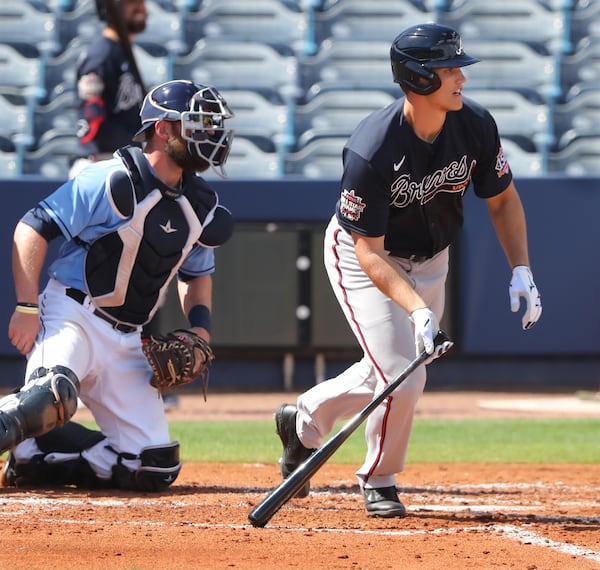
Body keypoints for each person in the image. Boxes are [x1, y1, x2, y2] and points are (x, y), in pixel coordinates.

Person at [274, 23, 542, 518]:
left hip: (432, 257)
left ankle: (303, 421)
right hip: (364, 255)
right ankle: (380, 477)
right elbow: (369, 252)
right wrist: (418, 310)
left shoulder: (475, 125)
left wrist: (521, 269)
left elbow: (503, 200)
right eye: (447, 69)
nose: (460, 76)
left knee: (393, 368)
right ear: (418, 79)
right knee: (404, 372)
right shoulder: (371, 149)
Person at [0, 79, 235, 491]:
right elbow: (30, 229)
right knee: (50, 396)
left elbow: (196, 276)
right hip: (73, 315)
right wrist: (25, 307)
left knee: (154, 465)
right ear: (163, 129)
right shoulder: (111, 179)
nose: (211, 135)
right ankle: (26, 427)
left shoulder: (202, 206)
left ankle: (32, 456)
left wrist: (200, 330)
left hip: (130, 340)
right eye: (199, 123)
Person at [70, 0, 148, 176]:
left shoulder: (122, 53)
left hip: (121, 163)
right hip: (101, 166)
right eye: (130, 2)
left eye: (142, 1)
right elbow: (94, 126)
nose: (140, 7)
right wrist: (142, 142)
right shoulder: (100, 56)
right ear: (108, 7)